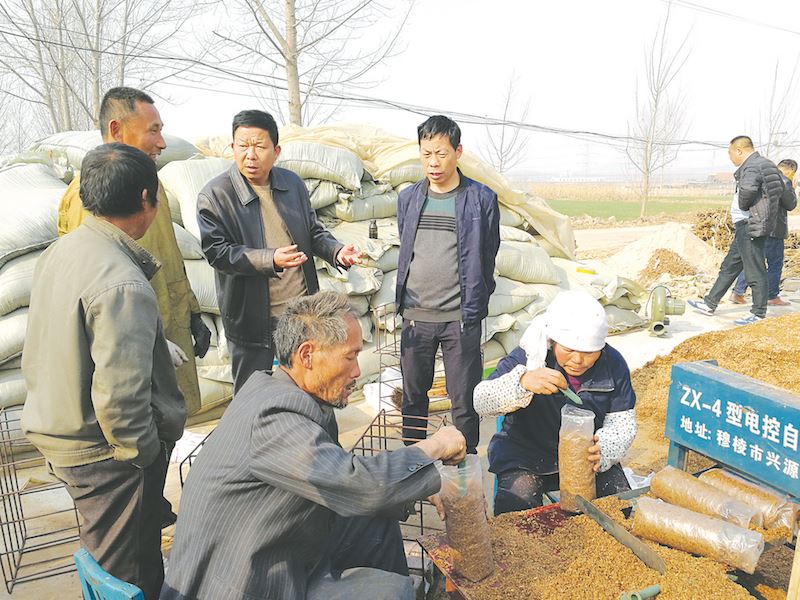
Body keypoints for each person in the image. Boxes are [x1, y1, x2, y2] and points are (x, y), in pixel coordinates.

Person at [160, 291, 466, 600]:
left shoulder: (289, 396)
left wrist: (422, 482)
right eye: (350, 356)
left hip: (273, 551)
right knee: (392, 591)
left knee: (374, 517)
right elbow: (357, 483)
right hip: (243, 585)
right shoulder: (273, 418)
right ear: (307, 355)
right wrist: (433, 448)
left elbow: (342, 480)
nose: (358, 371)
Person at [22, 144, 186, 599]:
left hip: (63, 431)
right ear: (146, 199)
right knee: (124, 574)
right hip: (105, 456)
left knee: (114, 558)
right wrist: (143, 457)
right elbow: (121, 401)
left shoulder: (64, 250)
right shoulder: (122, 282)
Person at [57, 87, 210, 421]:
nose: (162, 142)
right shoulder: (91, 197)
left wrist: (192, 313)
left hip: (167, 331)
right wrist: (149, 343)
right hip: (134, 354)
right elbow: (96, 294)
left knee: (171, 427)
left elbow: (168, 256)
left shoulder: (150, 184)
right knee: (142, 440)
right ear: (117, 130)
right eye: (153, 130)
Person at [197, 110, 362, 392]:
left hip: (300, 317)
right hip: (252, 320)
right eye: (243, 145)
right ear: (232, 148)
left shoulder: (292, 185)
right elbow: (218, 252)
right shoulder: (216, 195)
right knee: (253, 395)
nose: (250, 155)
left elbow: (313, 231)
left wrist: (336, 252)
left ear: (276, 151)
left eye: (259, 147)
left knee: (310, 390)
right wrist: (269, 259)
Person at [473, 290, 636, 516]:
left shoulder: (613, 364)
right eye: (568, 350)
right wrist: (522, 382)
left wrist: (605, 448)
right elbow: (480, 400)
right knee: (517, 509)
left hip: (585, 457)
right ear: (553, 341)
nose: (578, 360)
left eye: (589, 352)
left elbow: (623, 422)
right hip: (526, 455)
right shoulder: (530, 356)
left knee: (621, 508)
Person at [396, 115, 500, 454]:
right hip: (416, 317)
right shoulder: (409, 198)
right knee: (413, 399)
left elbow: (488, 252)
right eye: (426, 154)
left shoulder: (481, 199)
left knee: (464, 402)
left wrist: (476, 300)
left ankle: (463, 478)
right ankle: (410, 473)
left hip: (460, 319)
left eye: (441, 153)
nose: (433, 162)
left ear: (458, 151)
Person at [688, 136, 791, 325]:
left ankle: (758, 313)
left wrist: (744, 207)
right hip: (751, 223)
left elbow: (748, 192)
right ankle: (710, 303)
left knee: (755, 269)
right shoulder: (767, 164)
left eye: (730, 153)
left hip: (750, 224)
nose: (730, 157)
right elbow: (783, 196)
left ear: (739, 151)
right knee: (731, 265)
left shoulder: (752, 166)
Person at [729, 158, 797, 306]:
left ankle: (737, 292)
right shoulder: (784, 181)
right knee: (774, 264)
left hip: (759, 226)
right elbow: (790, 204)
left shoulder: (763, 178)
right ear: (790, 171)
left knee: (753, 261)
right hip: (774, 231)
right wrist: (792, 188)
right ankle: (772, 296)